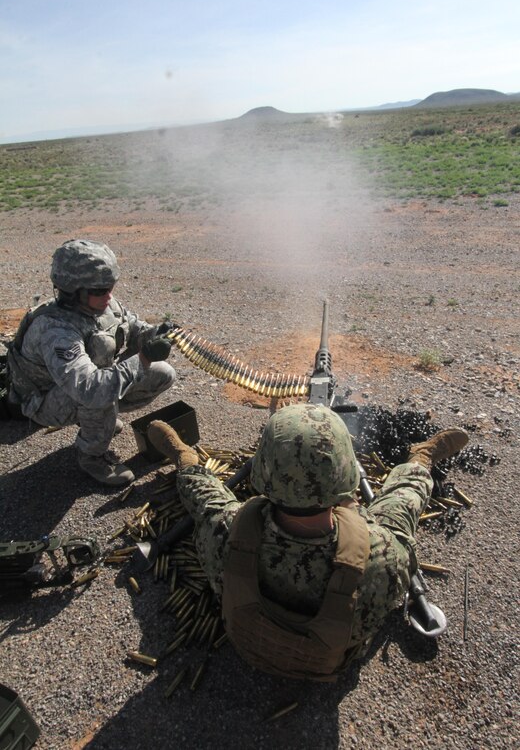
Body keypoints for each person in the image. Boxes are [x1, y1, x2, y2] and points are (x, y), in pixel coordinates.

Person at [146, 403, 469, 681]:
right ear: (348, 479)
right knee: (400, 506)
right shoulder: (385, 556)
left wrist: (186, 458)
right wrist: (352, 515)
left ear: (262, 473)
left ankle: (183, 456)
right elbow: (400, 518)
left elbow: (205, 500)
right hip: (333, 656)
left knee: (208, 500)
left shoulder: (224, 534)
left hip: (245, 640)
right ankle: (420, 460)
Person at [7, 239, 176, 486]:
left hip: (83, 384)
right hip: (43, 399)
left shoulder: (103, 303)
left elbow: (134, 328)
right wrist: (143, 358)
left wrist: (157, 333)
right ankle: (92, 456)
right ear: (73, 291)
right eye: (99, 290)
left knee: (163, 374)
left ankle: (97, 422)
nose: (108, 296)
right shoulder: (55, 329)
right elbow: (90, 389)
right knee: (100, 397)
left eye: (110, 287)